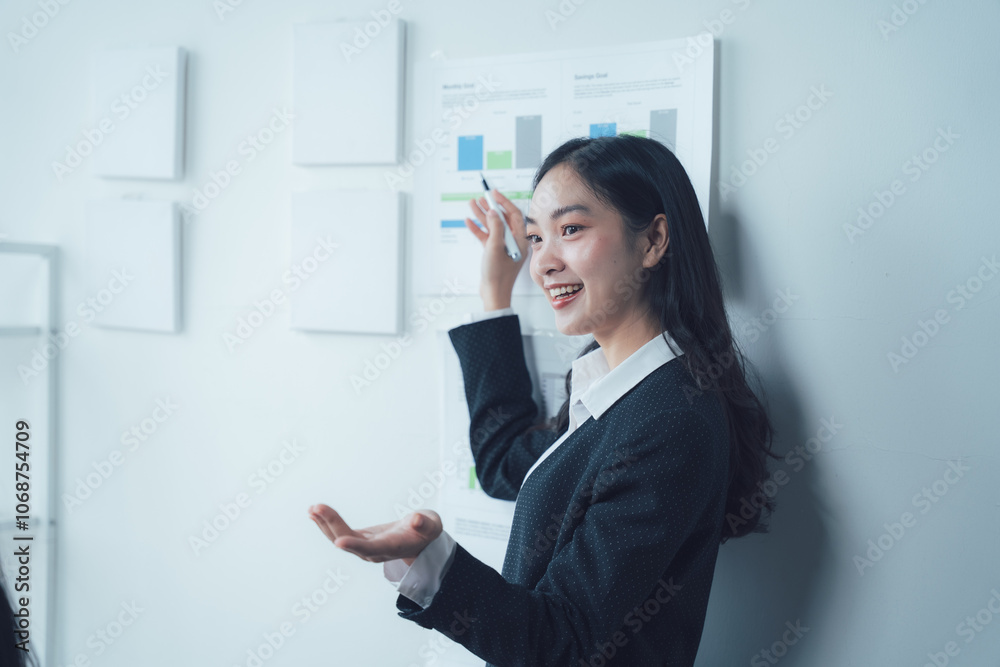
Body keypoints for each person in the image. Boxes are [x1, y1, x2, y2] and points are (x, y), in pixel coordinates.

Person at [309, 134, 777, 666]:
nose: (543, 263)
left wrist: (434, 564)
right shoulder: (615, 390)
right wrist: (494, 299)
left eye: (571, 229)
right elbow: (505, 462)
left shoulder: (669, 419)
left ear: (653, 241)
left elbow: (566, 645)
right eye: (535, 238)